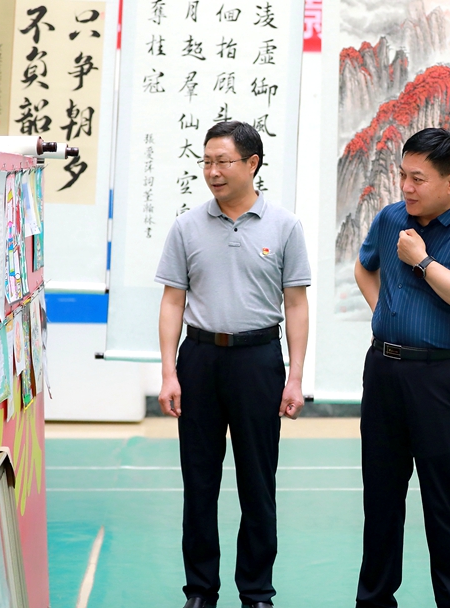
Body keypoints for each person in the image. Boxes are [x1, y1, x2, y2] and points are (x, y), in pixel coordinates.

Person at [155, 121, 311, 608]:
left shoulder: (284, 226)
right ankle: (200, 590)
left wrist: (295, 376)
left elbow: (296, 304)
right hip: (199, 360)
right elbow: (172, 301)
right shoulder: (186, 226)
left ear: (252, 163)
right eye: (206, 162)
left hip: (258, 361)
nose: (213, 172)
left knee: (258, 484)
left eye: (223, 161)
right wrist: (168, 372)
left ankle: (257, 591)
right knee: (199, 483)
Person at [353, 127, 450, 608]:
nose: (406, 187)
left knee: (443, 501)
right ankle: (374, 601)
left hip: (442, 377)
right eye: (403, 175)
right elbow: (364, 266)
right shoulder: (391, 217)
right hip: (384, 371)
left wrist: (421, 261)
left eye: (417, 178)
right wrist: (384, 312)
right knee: (380, 497)